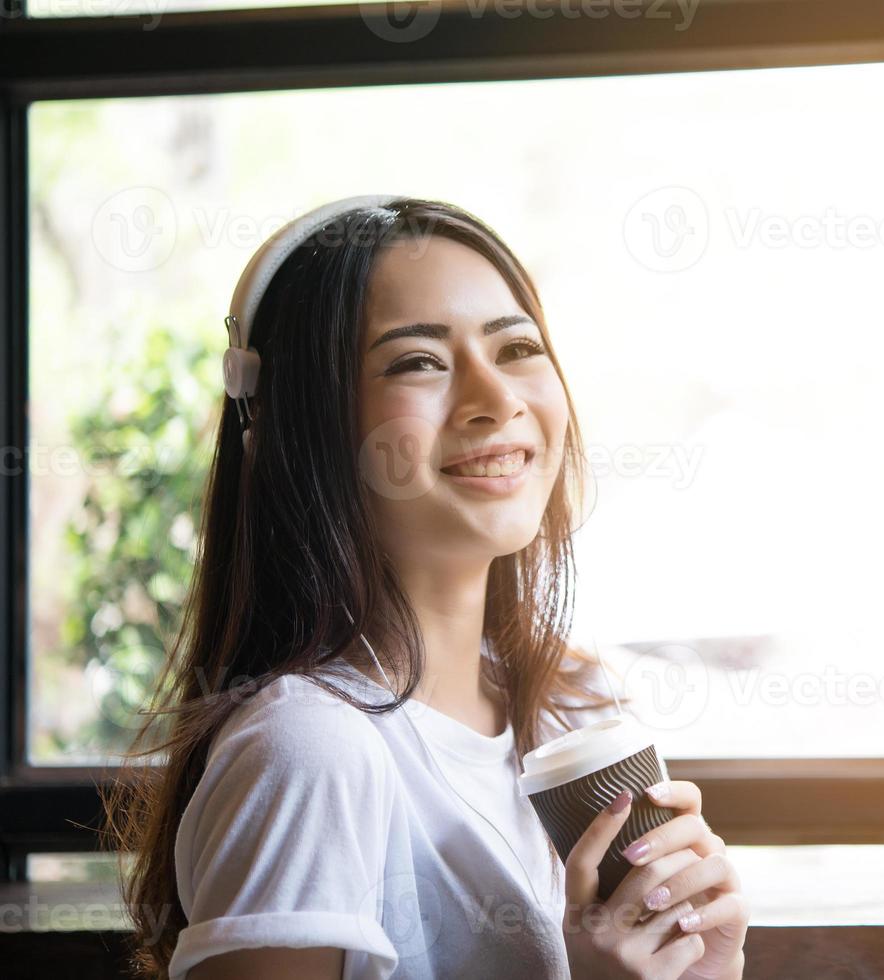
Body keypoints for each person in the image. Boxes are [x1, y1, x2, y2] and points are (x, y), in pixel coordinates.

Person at [101, 195, 749, 979]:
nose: (496, 399)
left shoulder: (574, 706)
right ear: (302, 426)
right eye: (418, 362)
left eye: (516, 349)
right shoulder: (310, 753)